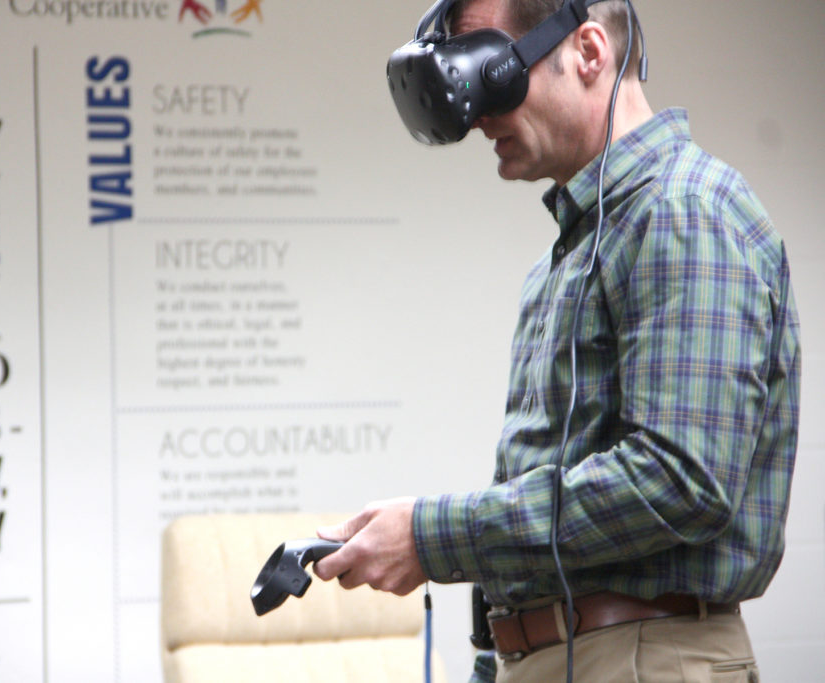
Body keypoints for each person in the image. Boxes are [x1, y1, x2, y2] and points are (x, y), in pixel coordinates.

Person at [312, 0, 801, 681]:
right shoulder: (562, 262)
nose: (479, 116)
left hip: (641, 657)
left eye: (493, 75)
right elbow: (546, 491)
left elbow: (678, 480)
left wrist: (431, 535)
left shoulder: (685, 210)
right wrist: (498, 650)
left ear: (591, 52)